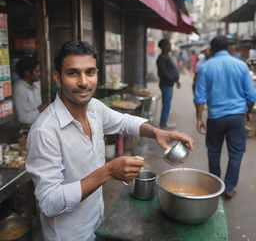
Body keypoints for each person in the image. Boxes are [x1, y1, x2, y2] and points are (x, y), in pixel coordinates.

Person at [26, 41, 194, 241]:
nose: (84, 82)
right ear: (58, 78)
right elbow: (48, 201)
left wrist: (157, 132)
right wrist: (107, 172)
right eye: (73, 73)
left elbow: (124, 121)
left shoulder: (94, 108)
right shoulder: (44, 131)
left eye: (90, 72)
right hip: (68, 235)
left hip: (97, 221)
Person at [194, 35, 256, 199]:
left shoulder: (205, 68)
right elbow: (251, 96)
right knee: (236, 153)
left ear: (212, 49)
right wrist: (248, 113)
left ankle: (215, 186)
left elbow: (199, 97)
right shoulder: (241, 66)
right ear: (228, 48)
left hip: (215, 117)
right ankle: (228, 187)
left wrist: (199, 118)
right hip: (236, 117)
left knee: (213, 152)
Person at [13, 56, 48, 126]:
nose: (40, 74)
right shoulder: (19, 89)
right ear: (27, 73)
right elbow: (22, 118)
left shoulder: (37, 83)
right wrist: (39, 110)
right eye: (37, 71)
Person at [156, 39, 180, 129]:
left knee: (167, 104)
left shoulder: (166, 56)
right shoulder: (161, 58)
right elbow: (163, 73)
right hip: (166, 84)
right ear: (164, 46)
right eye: (168, 44)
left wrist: (176, 80)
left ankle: (164, 122)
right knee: (166, 105)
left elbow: (170, 70)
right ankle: (163, 124)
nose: (170, 46)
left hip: (168, 84)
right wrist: (174, 79)